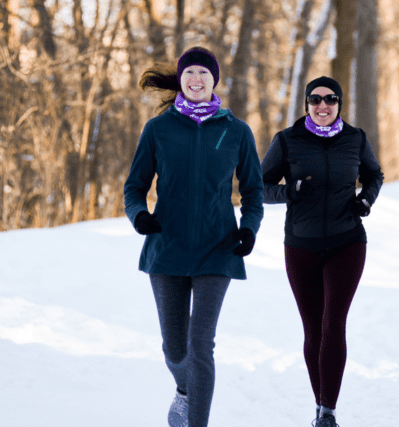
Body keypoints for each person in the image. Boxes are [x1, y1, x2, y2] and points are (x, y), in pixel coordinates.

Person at [123, 46, 264, 427]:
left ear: (214, 80)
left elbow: (254, 192)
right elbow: (134, 188)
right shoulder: (159, 129)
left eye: (203, 73)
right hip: (166, 250)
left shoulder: (236, 131)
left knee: (201, 346)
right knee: (174, 348)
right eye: (190, 73)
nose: (196, 80)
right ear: (181, 80)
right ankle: (185, 390)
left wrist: (249, 229)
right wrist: (139, 217)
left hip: (217, 250)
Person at [260, 76, 383, 427]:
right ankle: (320, 405)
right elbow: (259, 187)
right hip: (301, 245)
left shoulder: (355, 139)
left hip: (347, 241)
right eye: (315, 100)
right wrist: (290, 191)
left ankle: (327, 412)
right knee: (313, 328)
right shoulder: (287, 141)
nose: (322, 106)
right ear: (306, 105)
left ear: (339, 104)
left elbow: (375, 175)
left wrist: (365, 200)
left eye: (330, 99)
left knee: (334, 324)